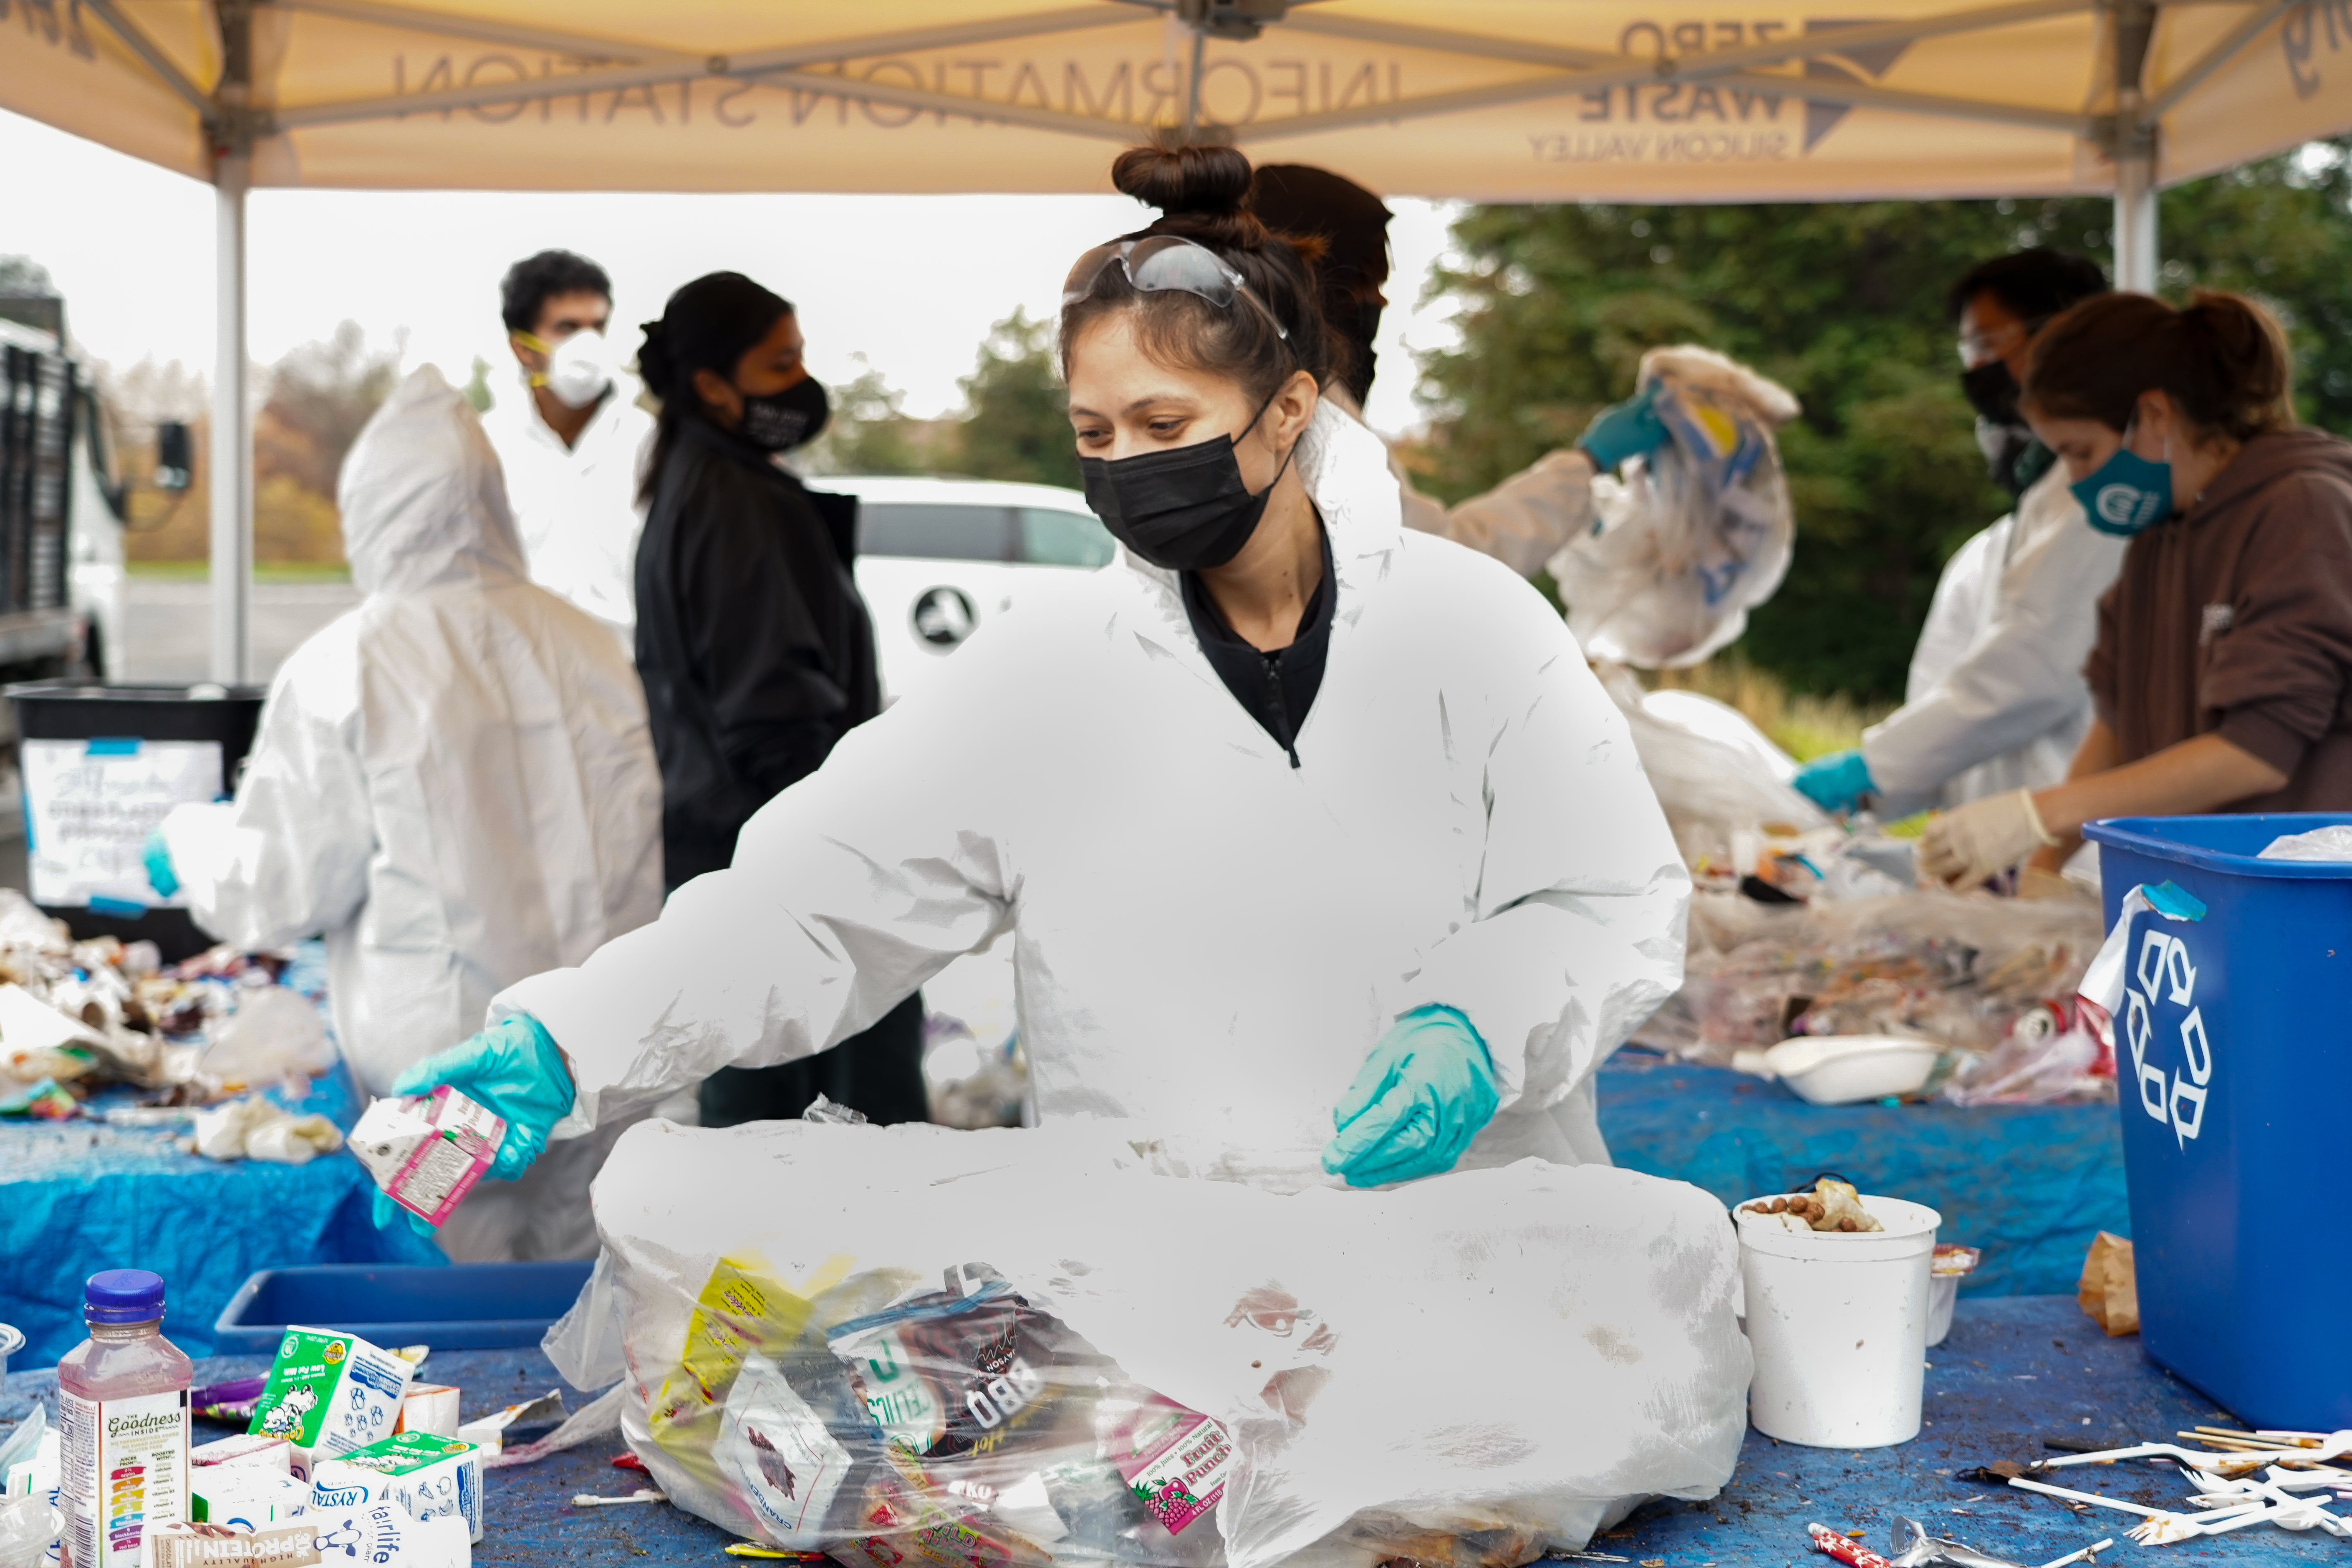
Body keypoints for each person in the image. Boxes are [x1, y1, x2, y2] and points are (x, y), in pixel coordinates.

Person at [386, 144, 1689, 1198]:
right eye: (1095, 432)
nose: (1127, 465)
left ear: (1290, 409)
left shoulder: (1478, 630)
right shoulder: (1049, 683)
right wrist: (571, 1035)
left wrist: (1481, 1017)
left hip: (1467, 1263)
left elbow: (1610, 898)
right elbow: (807, 905)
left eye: (1167, 426)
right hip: (1164, 1304)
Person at [146, 366, 665, 1261]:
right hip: (596, 1048)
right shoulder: (591, 646)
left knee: (448, 1329)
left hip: (442, 1075)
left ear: (370, 512)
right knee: (589, 1317)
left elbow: (279, 890)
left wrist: (186, 843)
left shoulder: (350, 662)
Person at [1920, 290, 2352, 892]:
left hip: (2305, 907)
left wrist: (2040, 811)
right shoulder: (2160, 537)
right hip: (2198, 901)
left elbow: (2254, 749)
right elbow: (2117, 722)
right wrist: (2041, 869)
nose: (2074, 480)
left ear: (2154, 416)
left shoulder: (2303, 509)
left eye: (2079, 452)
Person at [630, 270, 928, 1129]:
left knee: (760, 1128)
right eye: (778, 365)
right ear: (712, 386)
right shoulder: (735, 505)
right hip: (788, 882)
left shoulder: (700, 486)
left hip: (740, 865)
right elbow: (774, 719)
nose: (799, 385)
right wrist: (859, 863)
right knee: (824, 1145)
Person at [1794, 250, 2126, 818]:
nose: (1976, 369)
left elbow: (2032, 671)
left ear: (2068, 337)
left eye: (1988, 345)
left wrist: (1875, 767)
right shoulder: (1990, 550)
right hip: (2004, 850)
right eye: (1969, 349)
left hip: (2079, 851)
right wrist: (1885, 783)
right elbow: (1947, 694)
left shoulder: (2105, 501)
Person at [1249, 164, 1669, 577]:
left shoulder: (1238, 392)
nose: (1380, 303)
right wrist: (1584, 464)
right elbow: (1440, 564)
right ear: (1316, 280)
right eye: (1365, 282)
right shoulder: (1311, 416)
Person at [479, 249, 657, 652]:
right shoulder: (484, 449)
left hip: (631, 688)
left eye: (597, 326)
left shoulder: (649, 443)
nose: (587, 345)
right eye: (567, 328)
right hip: (519, 689)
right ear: (522, 348)